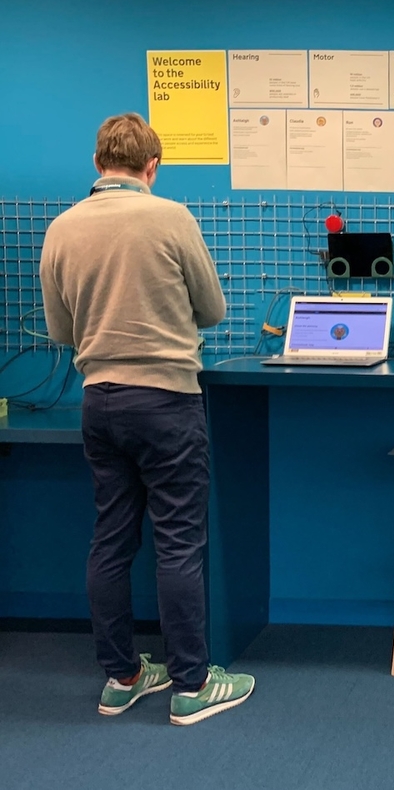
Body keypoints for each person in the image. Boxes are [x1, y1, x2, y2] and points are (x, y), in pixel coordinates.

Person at [40, 112, 254, 726]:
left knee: (110, 539)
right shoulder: (170, 217)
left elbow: (61, 330)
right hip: (165, 400)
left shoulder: (61, 229)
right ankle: (191, 684)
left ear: (97, 163)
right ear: (152, 166)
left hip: (99, 400)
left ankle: (122, 676)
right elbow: (210, 308)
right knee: (179, 542)